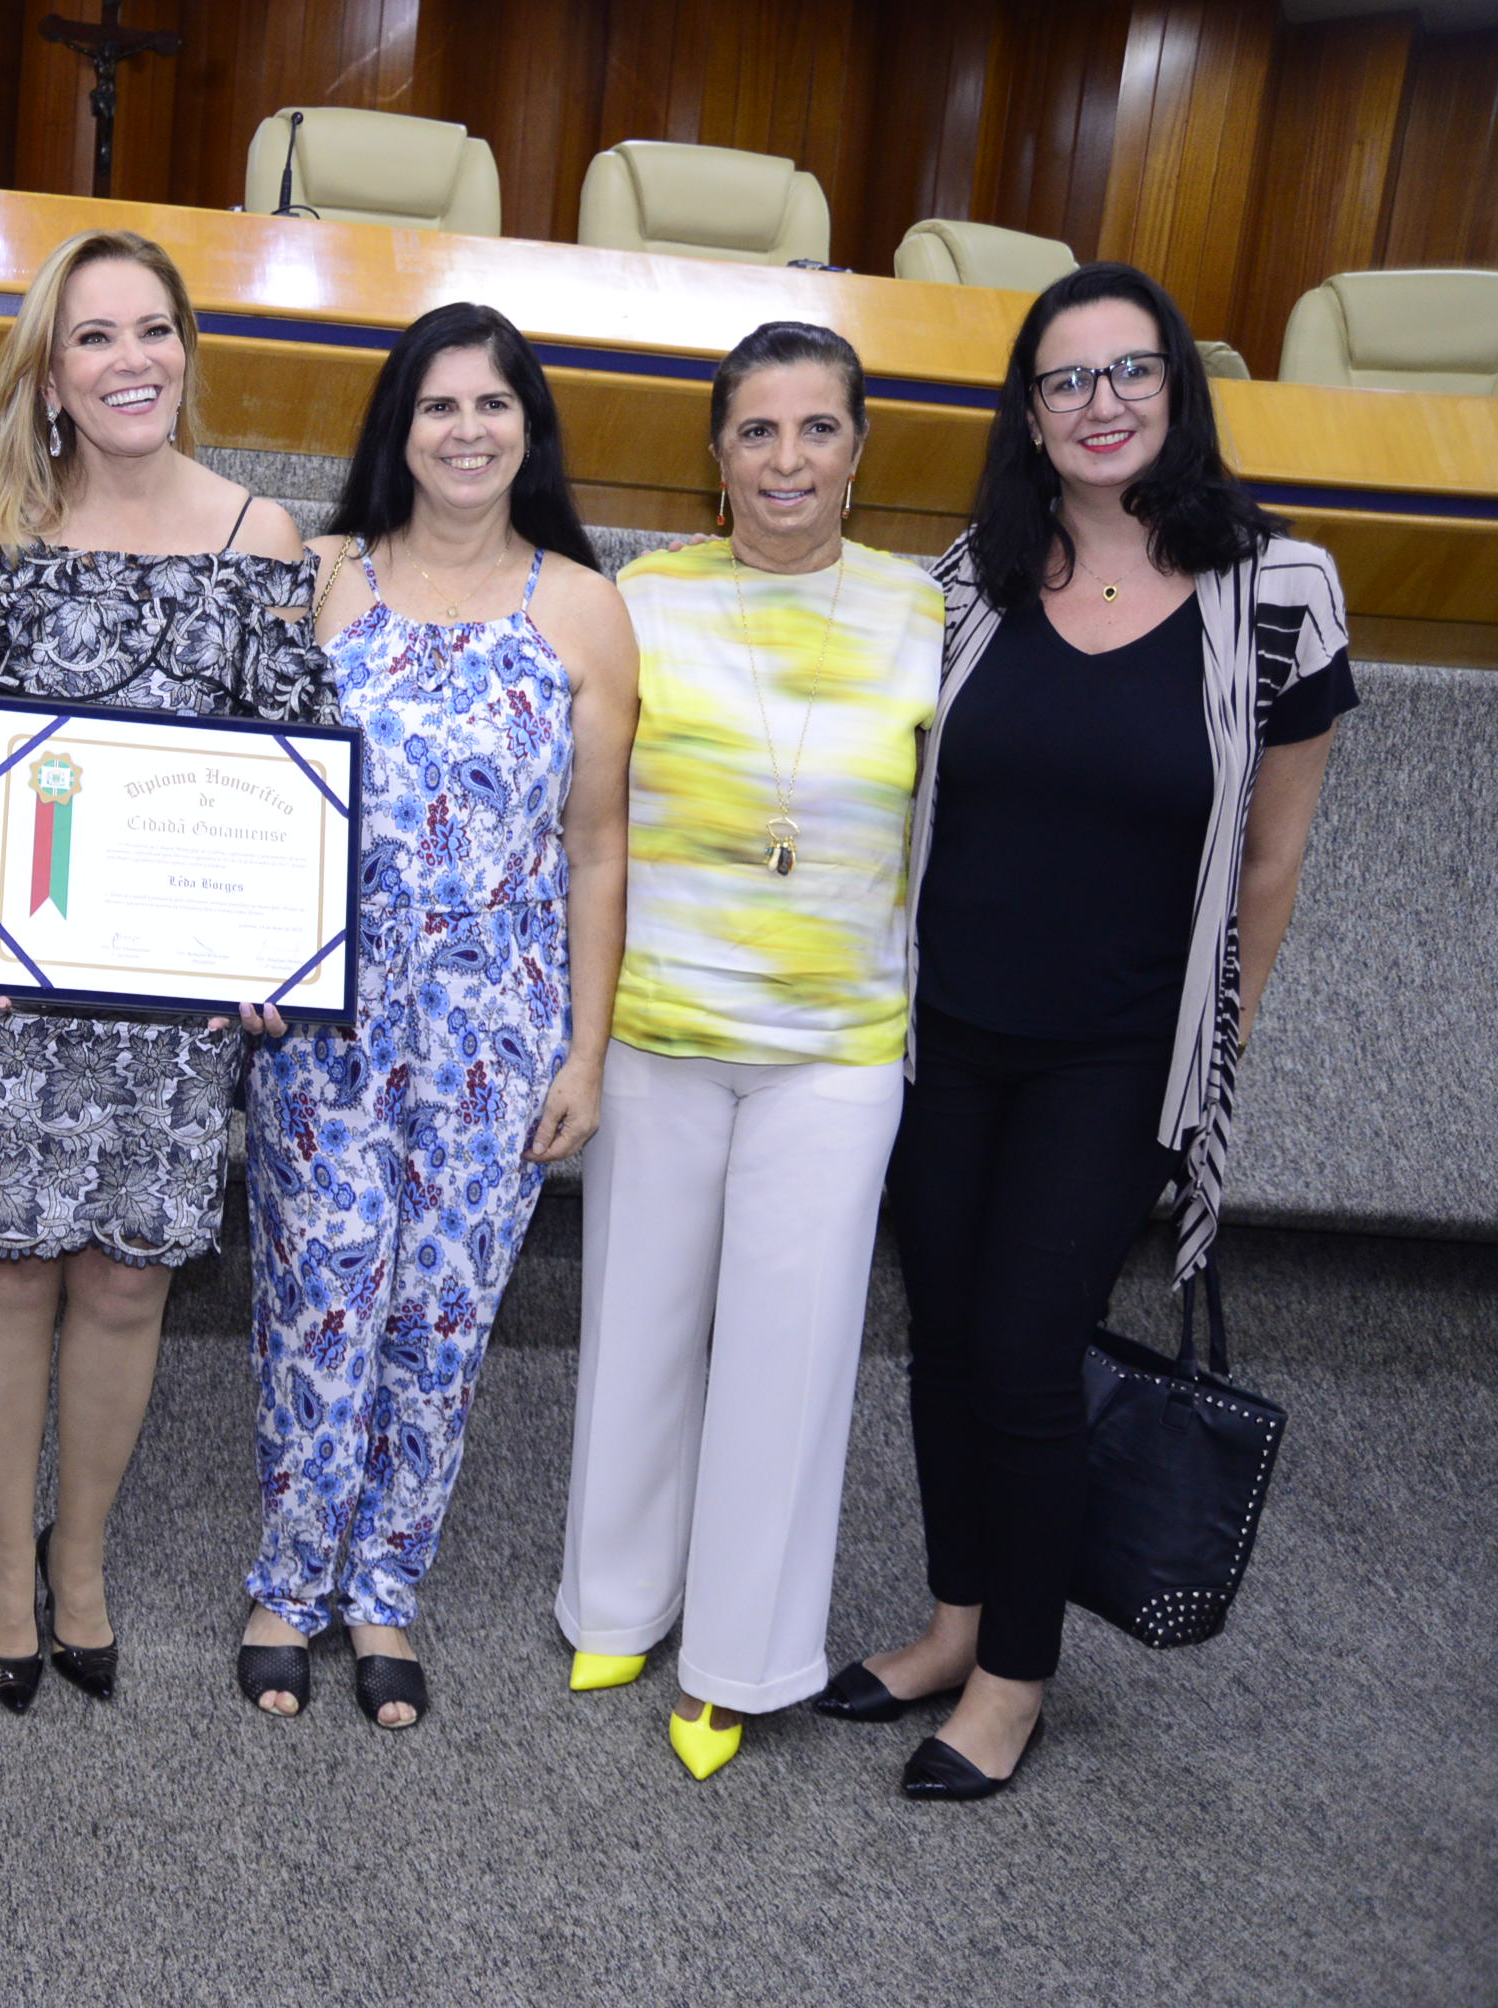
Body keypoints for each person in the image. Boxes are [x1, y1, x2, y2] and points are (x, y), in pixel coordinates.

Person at [831, 264, 1354, 1802]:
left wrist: (1214, 1050)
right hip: (946, 1034)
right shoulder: (968, 579)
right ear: (1030, 413)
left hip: (1118, 1054)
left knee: (1025, 1350)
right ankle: (954, 1620)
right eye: (1067, 380)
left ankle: (1014, 1677)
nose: (1102, 402)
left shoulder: (1279, 590)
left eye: (1131, 371)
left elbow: (1272, 861)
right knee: (945, 1336)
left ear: (1179, 387)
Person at [0, 230, 338, 1714]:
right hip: (17, 973)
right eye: (94, 336)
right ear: (50, 374)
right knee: (13, 1265)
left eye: (154, 329)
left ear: (187, 354)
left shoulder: (261, 539)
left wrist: (282, 944)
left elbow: (298, 763)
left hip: (181, 993)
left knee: (133, 1280)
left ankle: (78, 1552)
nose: (130, 359)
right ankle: (2, 1561)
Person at [549, 322, 944, 1783]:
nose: (787, 460)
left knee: (791, 1355)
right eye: (757, 431)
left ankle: (738, 1662)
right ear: (715, 454)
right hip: (657, 1030)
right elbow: (584, 823)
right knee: (635, 1327)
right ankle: (614, 1604)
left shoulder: (923, 613)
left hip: (835, 1052)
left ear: (859, 450)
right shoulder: (641, 602)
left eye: (817, 429)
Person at [234, 302, 633, 1731]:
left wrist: (588, 1050)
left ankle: (386, 1585)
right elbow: (247, 791)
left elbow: (598, 845)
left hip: (496, 1034)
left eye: (494, 405)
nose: (467, 431)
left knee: (444, 1314)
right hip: (323, 1027)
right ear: (397, 429)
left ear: (531, 428)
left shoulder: (582, 606)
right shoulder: (322, 577)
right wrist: (238, 948)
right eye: (438, 405)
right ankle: (291, 1579)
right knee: (322, 1292)